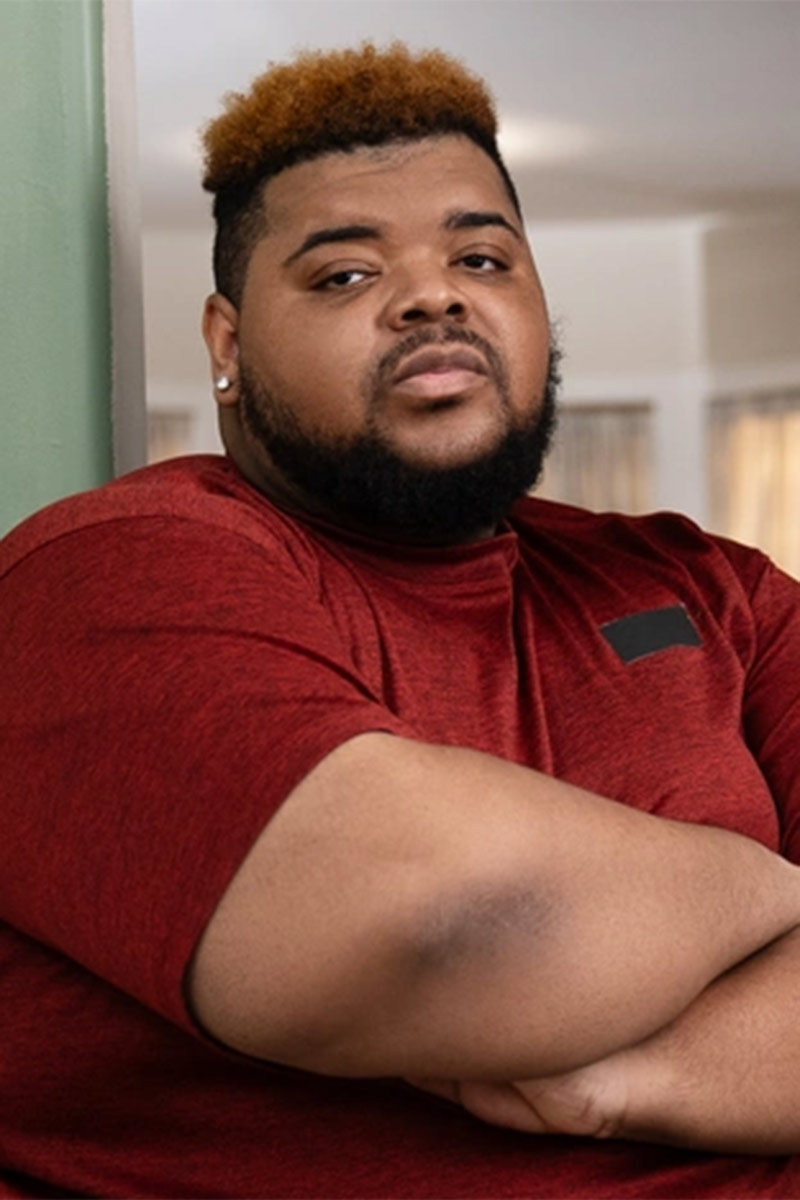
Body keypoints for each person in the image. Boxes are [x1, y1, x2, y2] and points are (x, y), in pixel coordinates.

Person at [2, 41, 800, 1200]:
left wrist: (623, 1079)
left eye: (480, 256)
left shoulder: (709, 587)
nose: (434, 295)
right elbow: (460, 918)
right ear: (228, 345)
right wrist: (773, 892)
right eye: (343, 274)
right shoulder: (106, 573)